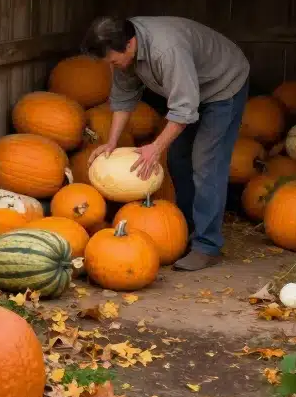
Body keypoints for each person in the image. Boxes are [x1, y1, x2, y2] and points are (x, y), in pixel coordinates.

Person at [82, 16, 250, 271]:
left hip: (222, 86)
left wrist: (155, 147)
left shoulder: (166, 51)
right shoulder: (124, 52)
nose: (113, 67)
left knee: (206, 163)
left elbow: (184, 109)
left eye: (114, 61)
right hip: (191, 91)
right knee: (178, 158)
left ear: (130, 44)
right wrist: (111, 142)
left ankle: (207, 246)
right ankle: (187, 228)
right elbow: (124, 97)